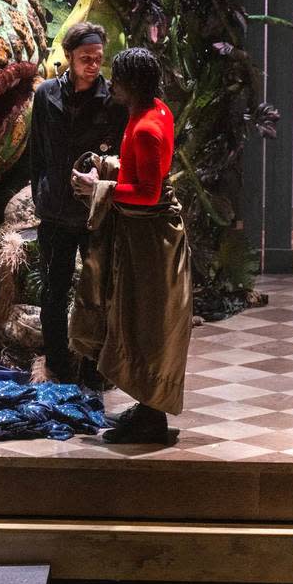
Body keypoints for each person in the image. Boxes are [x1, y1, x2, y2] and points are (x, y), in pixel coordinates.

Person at [69, 47, 192, 444]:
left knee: (147, 323)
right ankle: (146, 405)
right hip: (142, 235)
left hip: (151, 241)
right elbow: (142, 172)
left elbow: (148, 192)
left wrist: (97, 188)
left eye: (116, 78)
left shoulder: (147, 128)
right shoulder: (153, 112)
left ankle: (152, 416)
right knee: (139, 319)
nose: (111, 84)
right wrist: (106, 168)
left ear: (132, 83)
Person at [29, 22, 127, 385]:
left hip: (94, 212)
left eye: (98, 59)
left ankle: (92, 367)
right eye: (85, 58)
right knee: (53, 290)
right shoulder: (46, 95)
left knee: (97, 291)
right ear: (68, 57)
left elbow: (118, 156)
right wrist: (41, 194)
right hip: (54, 209)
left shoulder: (112, 101)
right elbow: (35, 152)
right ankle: (56, 363)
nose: (92, 65)